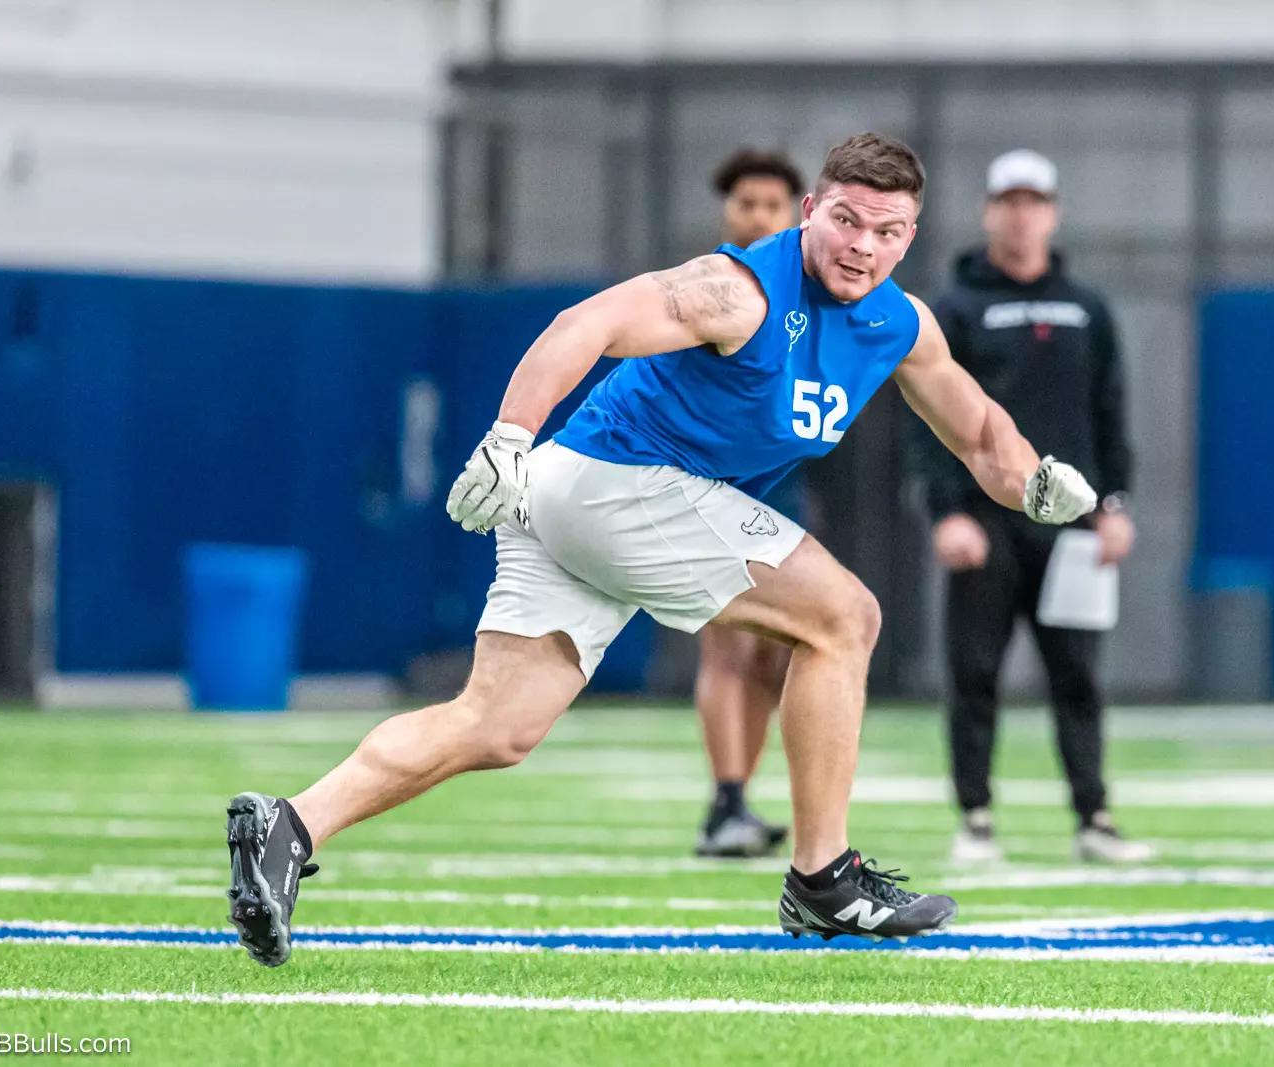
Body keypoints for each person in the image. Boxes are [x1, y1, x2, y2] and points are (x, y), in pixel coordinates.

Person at [224, 133, 1097, 968]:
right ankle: (823, 877)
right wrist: (508, 433)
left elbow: (979, 428)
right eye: (846, 220)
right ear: (807, 211)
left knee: (498, 723)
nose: (862, 246)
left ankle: (289, 824)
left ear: (911, 238)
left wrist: (1034, 481)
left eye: (887, 230)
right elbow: (591, 321)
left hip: (584, 497)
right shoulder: (740, 290)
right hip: (614, 481)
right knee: (845, 616)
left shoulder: (899, 323)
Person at [915, 149, 1153, 866]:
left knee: (1077, 674)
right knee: (975, 671)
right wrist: (946, 512)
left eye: (1034, 201)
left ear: (1052, 212)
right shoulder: (956, 308)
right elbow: (926, 417)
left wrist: (1114, 504)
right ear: (989, 210)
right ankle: (976, 817)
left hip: (1073, 522)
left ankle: (1094, 816)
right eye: (1008, 201)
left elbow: (1108, 413)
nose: (1021, 214)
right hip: (987, 522)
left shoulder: (1087, 308)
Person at [693, 148, 808, 858]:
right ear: (727, 212)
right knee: (728, 647)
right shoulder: (710, 288)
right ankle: (726, 795)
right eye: (746, 203)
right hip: (711, 494)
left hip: (781, 492)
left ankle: (736, 797)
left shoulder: (809, 290)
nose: (759, 215)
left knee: (774, 658)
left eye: (772, 204)